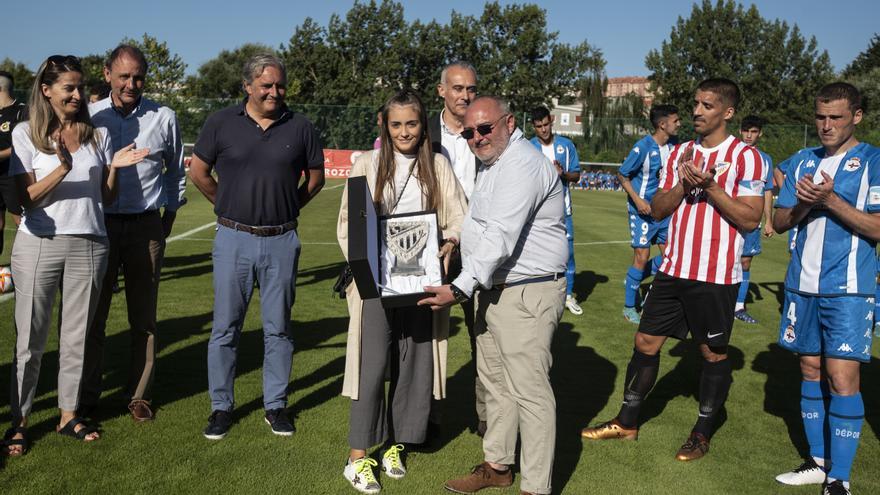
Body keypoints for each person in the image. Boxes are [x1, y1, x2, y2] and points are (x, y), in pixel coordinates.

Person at [581, 78, 766, 462]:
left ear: (727, 113)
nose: (697, 111)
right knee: (645, 343)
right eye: (696, 103)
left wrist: (711, 188)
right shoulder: (679, 152)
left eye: (707, 105)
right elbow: (660, 208)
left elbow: (750, 219)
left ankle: (701, 432)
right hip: (673, 269)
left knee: (712, 355)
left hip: (715, 275)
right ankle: (627, 421)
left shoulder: (747, 157)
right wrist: (685, 183)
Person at [420, 96, 568, 495]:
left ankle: (535, 488)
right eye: (469, 132)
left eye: (484, 128)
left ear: (509, 122)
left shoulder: (520, 162)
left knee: (530, 392)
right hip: (494, 289)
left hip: (526, 290)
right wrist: (455, 239)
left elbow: (501, 235)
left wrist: (459, 287)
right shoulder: (494, 163)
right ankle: (498, 467)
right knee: (496, 385)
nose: (476, 138)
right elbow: (481, 225)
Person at [5, 55, 147, 455]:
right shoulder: (25, 134)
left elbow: (105, 197)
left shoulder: (96, 134)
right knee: (30, 340)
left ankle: (68, 415)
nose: (77, 94)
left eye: (81, 87)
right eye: (68, 87)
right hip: (39, 243)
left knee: (77, 337)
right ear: (46, 90)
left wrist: (115, 167)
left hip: (90, 243)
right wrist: (61, 169)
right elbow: (25, 199)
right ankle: (19, 421)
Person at [189, 54, 325, 440]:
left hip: (282, 239)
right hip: (233, 238)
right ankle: (220, 407)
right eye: (266, 85)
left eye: (279, 85)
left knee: (279, 329)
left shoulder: (299, 126)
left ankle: (276, 405)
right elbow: (198, 172)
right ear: (248, 86)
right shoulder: (220, 123)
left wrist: (287, 208)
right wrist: (225, 203)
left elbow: (314, 180)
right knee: (225, 328)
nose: (274, 92)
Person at [337, 89, 466, 494]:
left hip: (422, 282)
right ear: (385, 126)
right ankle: (358, 458)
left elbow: (459, 217)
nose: (405, 132)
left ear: (422, 125)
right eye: (396, 124)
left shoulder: (438, 165)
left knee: (414, 363)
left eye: (412, 124)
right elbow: (349, 223)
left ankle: (396, 444)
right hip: (376, 284)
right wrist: (365, 264)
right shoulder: (366, 164)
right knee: (371, 364)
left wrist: (449, 243)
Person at [772, 82, 878, 495]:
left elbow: (877, 227)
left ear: (856, 116)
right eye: (820, 117)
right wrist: (806, 204)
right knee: (810, 369)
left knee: (841, 378)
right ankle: (818, 462)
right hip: (802, 286)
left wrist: (831, 202)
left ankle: (840, 479)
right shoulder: (801, 161)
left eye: (836, 117)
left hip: (849, 289)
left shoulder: (873, 161)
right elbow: (780, 222)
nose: (826, 125)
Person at [80, 44, 186, 422]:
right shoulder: (89, 116)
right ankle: (86, 395)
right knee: (93, 316)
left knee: (144, 318)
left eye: (137, 76)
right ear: (107, 73)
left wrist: (166, 220)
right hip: (98, 226)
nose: (131, 84)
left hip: (146, 226)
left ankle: (139, 395)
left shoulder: (164, 117)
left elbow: (174, 173)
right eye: (123, 76)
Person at [427, 61, 487, 436]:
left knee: (484, 333)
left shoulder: (485, 129)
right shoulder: (422, 131)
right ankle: (429, 415)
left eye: (471, 89)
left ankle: (486, 414)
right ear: (442, 91)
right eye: (458, 88)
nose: (465, 95)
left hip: (481, 247)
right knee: (432, 335)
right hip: (435, 247)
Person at [617, 104, 681, 324]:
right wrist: (637, 200)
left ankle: (638, 280)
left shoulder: (675, 147)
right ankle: (629, 307)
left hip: (665, 212)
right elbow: (622, 174)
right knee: (641, 257)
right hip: (642, 212)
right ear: (662, 124)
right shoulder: (643, 147)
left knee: (671, 258)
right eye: (675, 120)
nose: (679, 123)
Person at [529, 106, 583, 316]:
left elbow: (576, 175)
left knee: (568, 254)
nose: (543, 129)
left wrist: (562, 174)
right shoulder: (529, 147)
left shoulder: (567, 145)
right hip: (537, 212)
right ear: (534, 127)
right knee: (536, 253)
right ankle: (539, 295)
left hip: (563, 210)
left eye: (546, 124)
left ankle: (568, 295)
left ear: (551, 121)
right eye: (539, 126)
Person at [734, 115, 775, 324]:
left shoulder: (765, 159)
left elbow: (767, 191)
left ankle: (739, 306)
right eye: (746, 131)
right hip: (731, 218)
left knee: (746, 261)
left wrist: (768, 220)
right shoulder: (732, 154)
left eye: (753, 131)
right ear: (740, 131)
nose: (749, 135)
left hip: (752, 221)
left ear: (760, 133)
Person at [0, 70, 26, 259]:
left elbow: (24, 145)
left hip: (13, 174)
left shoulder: (22, 111)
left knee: (21, 221)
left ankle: (27, 263)